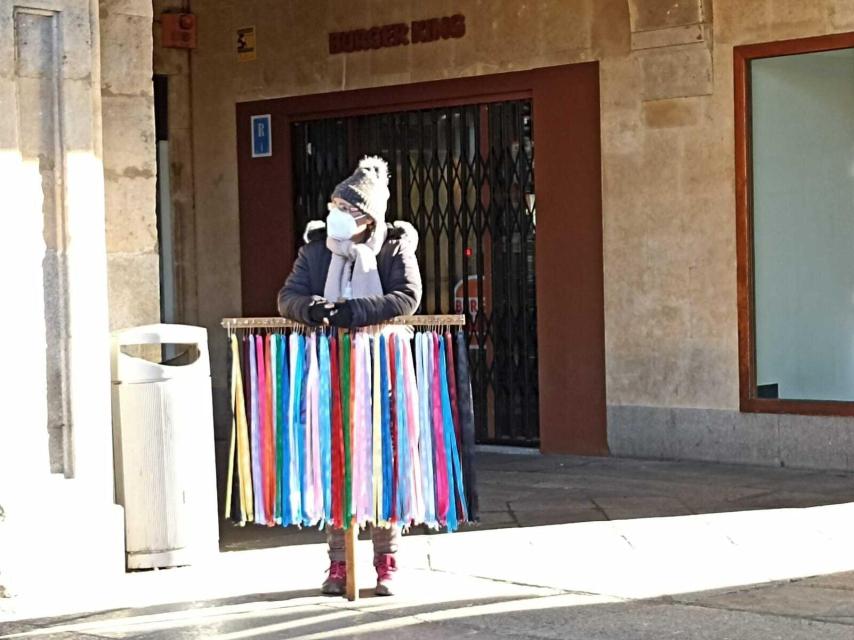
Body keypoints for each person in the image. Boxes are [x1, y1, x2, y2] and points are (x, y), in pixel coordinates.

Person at [277, 156, 422, 596]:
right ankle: (338, 562)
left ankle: (386, 558)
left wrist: (354, 312)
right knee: (337, 460)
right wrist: (313, 310)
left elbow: (407, 297)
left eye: (346, 207)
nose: (335, 213)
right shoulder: (316, 250)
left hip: (382, 367)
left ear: (368, 218)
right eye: (333, 203)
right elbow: (288, 297)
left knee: (382, 461)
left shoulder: (394, 248)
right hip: (330, 368)